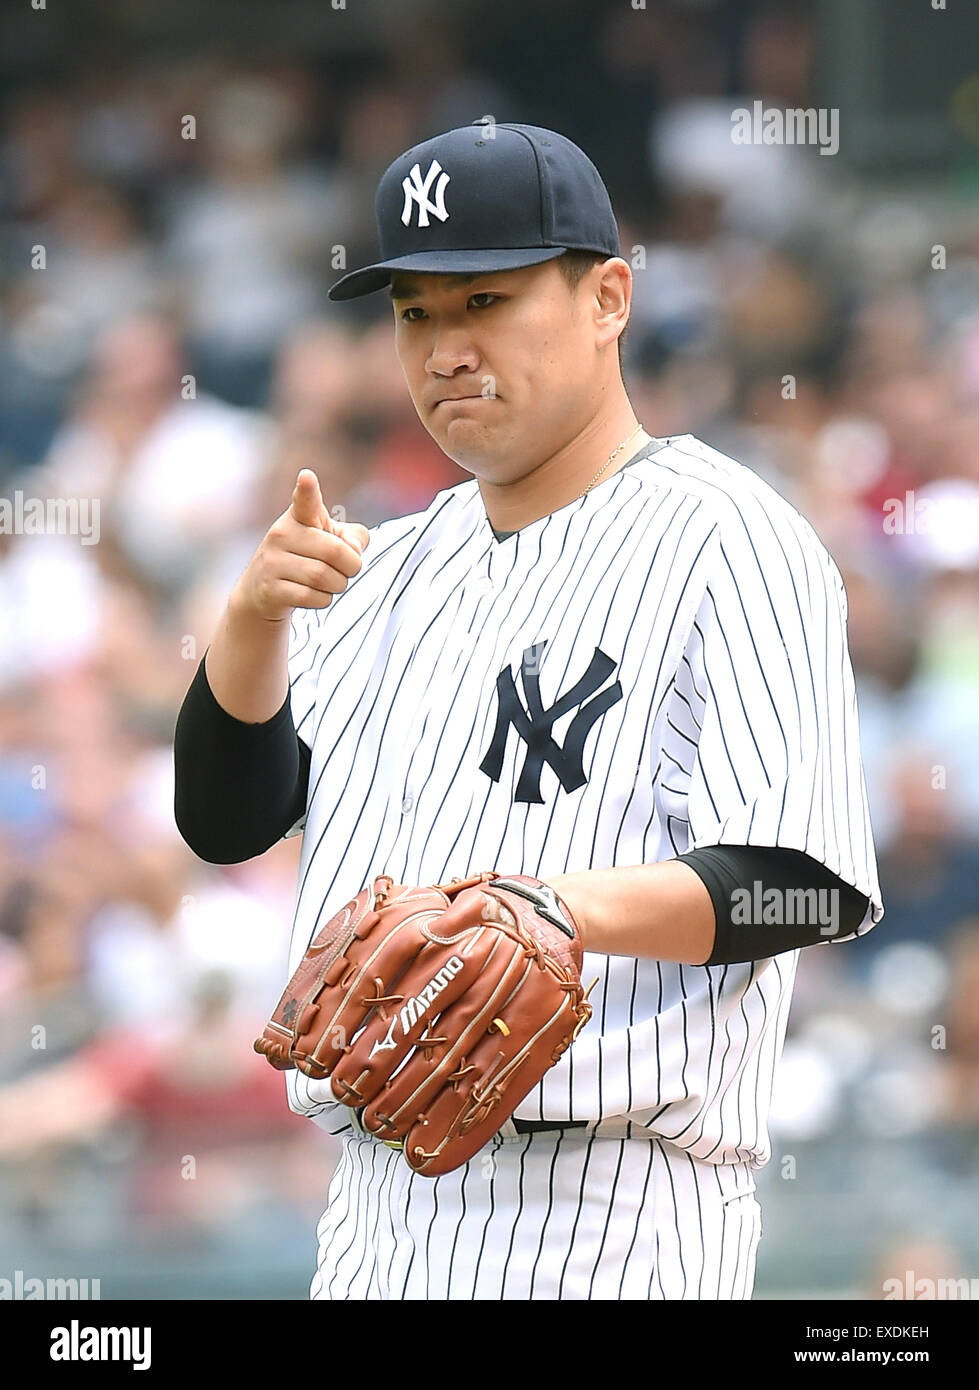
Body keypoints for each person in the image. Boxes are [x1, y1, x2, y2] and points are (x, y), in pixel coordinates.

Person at [174, 122, 883, 1300]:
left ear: (607, 299)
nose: (445, 349)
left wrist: (551, 908)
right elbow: (226, 820)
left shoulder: (729, 538)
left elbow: (804, 888)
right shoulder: (388, 565)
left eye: (485, 302)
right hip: (371, 1221)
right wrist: (250, 621)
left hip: (610, 1217)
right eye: (415, 314)